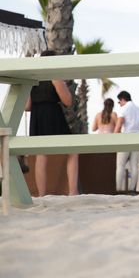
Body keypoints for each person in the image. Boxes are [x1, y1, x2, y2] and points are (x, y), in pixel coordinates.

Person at [24, 50, 79, 196]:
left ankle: (41, 194)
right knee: (72, 151)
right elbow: (68, 101)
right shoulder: (54, 77)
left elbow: (27, 106)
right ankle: (73, 191)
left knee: (41, 155)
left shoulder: (33, 79)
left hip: (37, 117)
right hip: (52, 115)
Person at [114, 90, 139, 192]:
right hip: (137, 139)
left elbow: (118, 127)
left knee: (120, 165)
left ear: (122, 99)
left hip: (125, 139)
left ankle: (118, 189)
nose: (119, 104)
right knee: (134, 166)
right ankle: (132, 189)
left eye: (119, 102)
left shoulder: (124, 109)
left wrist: (114, 141)